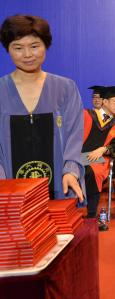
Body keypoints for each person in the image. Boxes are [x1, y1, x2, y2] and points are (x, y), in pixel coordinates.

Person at [0, 14, 85, 201]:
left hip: (60, 188)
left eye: (34, 46)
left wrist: (70, 171)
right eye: (18, 48)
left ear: (46, 46)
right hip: (9, 195)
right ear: (8, 49)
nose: (27, 55)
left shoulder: (65, 88)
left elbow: (74, 136)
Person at [82, 85, 115, 230]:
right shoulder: (86, 115)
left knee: (92, 172)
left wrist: (103, 149)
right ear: (105, 102)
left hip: (99, 160)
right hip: (76, 156)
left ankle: (91, 216)